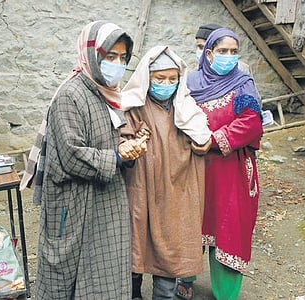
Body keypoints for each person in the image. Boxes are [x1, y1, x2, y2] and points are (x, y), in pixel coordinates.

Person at [34, 21, 147, 299]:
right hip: (75, 203)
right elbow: (72, 155)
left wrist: (129, 145)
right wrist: (118, 155)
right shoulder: (71, 96)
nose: (117, 64)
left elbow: (109, 138)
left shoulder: (106, 93)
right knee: (66, 276)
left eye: (122, 58)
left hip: (106, 200)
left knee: (104, 272)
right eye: (110, 56)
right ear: (93, 56)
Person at [120, 46, 212, 299]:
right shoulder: (132, 107)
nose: (166, 84)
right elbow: (121, 143)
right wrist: (131, 143)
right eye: (160, 79)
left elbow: (203, 139)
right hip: (142, 189)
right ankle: (134, 294)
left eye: (173, 79)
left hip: (177, 191)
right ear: (147, 78)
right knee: (135, 248)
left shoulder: (186, 108)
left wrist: (204, 143)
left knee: (171, 251)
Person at [181, 27, 263, 300]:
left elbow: (251, 122)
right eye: (222, 51)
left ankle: (225, 294)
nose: (229, 56)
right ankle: (184, 278)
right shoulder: (190, 82)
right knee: (190, 222)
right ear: (209, 53)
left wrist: (215, 139)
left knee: (228, 227)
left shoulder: (243, 83)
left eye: (234, 52)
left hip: (232, 172)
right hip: (194, 167)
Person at [194, 24, 262, 107]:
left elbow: (254, 102)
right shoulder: (195, 75)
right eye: (200, 47)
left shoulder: (240, 71)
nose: (202, 51)